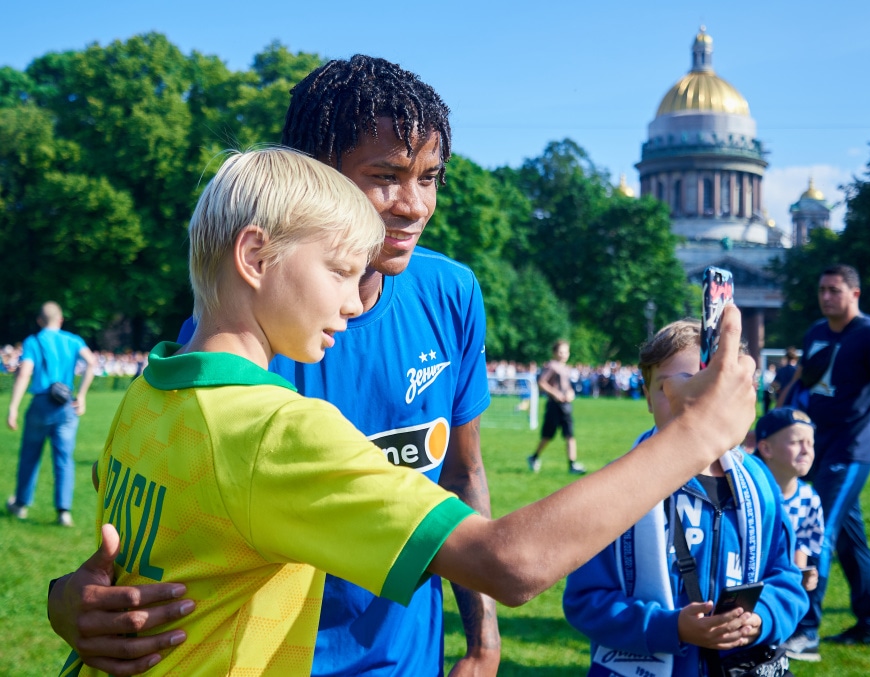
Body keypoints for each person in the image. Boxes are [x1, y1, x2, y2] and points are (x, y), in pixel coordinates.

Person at [56, 146, 758, 677]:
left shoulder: (151, 391)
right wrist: (694, 434)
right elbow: (509, 562)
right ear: (254, 255)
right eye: (337, 269)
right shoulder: (275, 428)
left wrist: (68, 598)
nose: (354, 299)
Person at [48, 55, 502, 677]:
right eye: (386, 176)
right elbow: (153, 534)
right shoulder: (242, 339)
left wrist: (482, 643)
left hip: (407, 659)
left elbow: (461, 473)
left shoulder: (451, 293)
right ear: (311, 175)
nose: (414, 205)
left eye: (430, 178)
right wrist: (69, 598)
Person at [562, 320, 807, 676]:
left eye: (702, 384)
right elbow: (586, 600)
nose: (686, 400)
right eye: (668, 387)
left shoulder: (759, 485)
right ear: (646, 396)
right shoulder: (616, 487)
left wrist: (761, 618)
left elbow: (784, 577)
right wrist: (670, 627)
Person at [778, 264, 870, 661]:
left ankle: (806, 632)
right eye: (822, 289)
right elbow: (800, 382)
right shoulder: (815, 333)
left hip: (852, 451)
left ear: (854, 294)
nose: (826, 296)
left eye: (834, 289)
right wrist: (774, 423)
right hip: (816, 447)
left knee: (817, 532)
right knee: (850, 542)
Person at [6, 301, 96, 527]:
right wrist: (82, 395)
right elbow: (92, 363)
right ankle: (64, 511)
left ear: (39, 321)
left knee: (30, 456)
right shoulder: (73, 340)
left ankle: (21, 505)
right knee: (65, 460)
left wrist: (13, 406)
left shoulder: (33, 341)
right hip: (66, 406)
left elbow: (25, 371)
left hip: (40, 404)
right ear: (61, 319)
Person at [753, 407, 824, 661]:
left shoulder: (809, 499)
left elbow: (800, 553)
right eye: (796, 442)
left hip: (776, 587)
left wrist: (800, 578)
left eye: (811, 443)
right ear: (766, 449)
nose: (806, 450)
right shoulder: (750, 493)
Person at [528, 340, 585, 474]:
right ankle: (534, 457)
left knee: (570, 435)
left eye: (566, 352)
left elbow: (568, 386)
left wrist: (571, 393)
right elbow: (541, 382)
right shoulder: (552, 366)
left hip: (566, 406)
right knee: (547, 436)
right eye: (560, 352)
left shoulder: (566, 368)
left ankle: (572, 464)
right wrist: (555, 393)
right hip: (554, 406)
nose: (563, 355)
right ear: (554, 353)